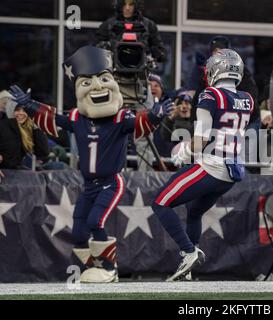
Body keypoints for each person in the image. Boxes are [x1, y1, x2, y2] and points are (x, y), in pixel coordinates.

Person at [9, 46, 171, 283]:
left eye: (103, 79)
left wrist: (156, 116)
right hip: (89, 184)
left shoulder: (120, 117)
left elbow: (140, 123)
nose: (97, 87)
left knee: (96, 222)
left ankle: (109, 268)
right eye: (88, 82)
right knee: (78, 232)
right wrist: (31, 105)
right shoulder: (78, 119)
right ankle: (90, 268)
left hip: (110, 183)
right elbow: (56, 119)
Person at [151, 49, 253, 281]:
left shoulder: (211, 95)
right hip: (231, 171)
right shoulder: (247, 98)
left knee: (160, 202)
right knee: (194, 211)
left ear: (216, 70)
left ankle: (188, 252)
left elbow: (201, 140)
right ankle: (188, 269)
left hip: (212, 165)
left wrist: (184, 152)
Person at [97, 0, 167, 63]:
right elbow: (95, 51)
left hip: (141, 71)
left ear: (136, 5)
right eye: (124, 4)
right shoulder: (108, 24)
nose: (127, 8)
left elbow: (162, 53)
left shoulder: (148, 25)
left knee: (156, 78)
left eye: (131, 4)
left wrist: (157, 53)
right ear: (119, 4)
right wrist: (103, 47)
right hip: (114, 70)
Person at [0, 104, 49, 170]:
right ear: (11, 111)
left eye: (25, 111)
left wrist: (36, 127)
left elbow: (43, 152)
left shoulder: (28, 129)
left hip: (15, 173)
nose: (21, 113)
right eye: (17, 110)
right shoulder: (2, 125)